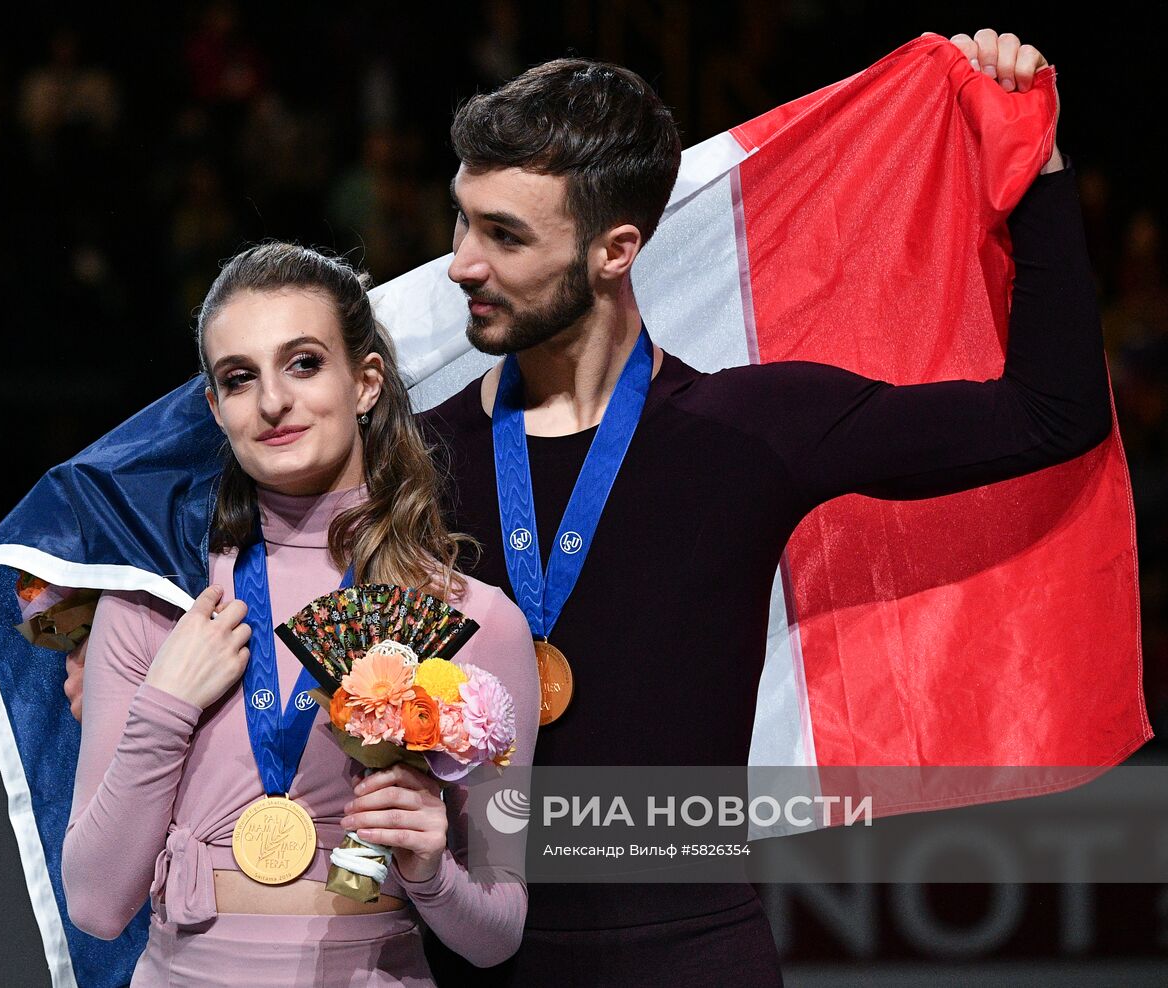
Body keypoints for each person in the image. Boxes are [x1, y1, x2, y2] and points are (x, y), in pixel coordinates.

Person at [413, 29, 1107, 986]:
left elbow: (1051, 414)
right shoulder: (411, 459)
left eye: (504, 235)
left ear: (618, 251)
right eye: (462, 221)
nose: (460, 264)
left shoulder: (751, 432)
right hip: (465, 959)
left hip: (693, 960)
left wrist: (1035, 164)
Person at [60, 242, 539, 986]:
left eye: (305, 362)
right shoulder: (158, 609)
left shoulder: (475, 621)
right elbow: (94, 903)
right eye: (240, 378)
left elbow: (497, 934)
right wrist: (166, 705)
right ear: (217, 409)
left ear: (366, 381)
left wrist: (430, 869)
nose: (273, 401)